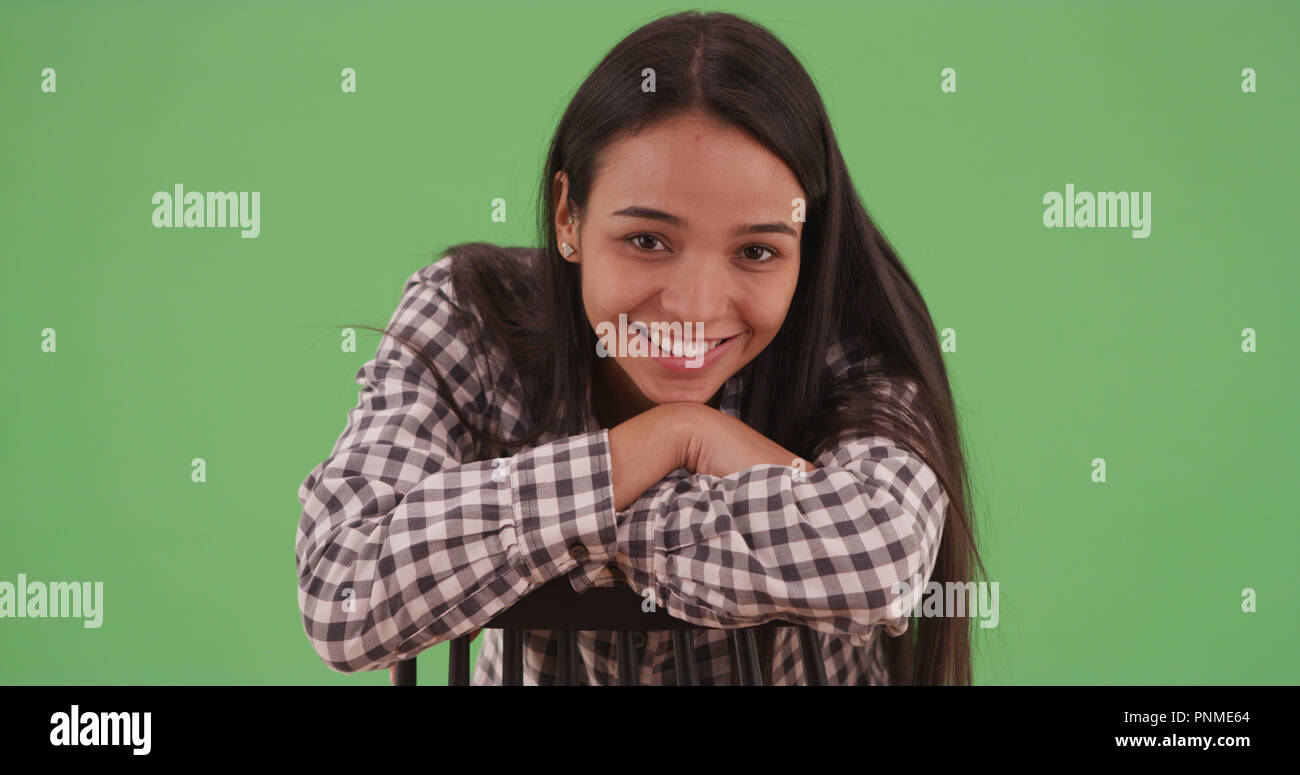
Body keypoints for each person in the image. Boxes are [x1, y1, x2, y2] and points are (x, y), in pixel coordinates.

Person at [295, 9, 986, 685]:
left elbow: (878, 558)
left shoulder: (847, 341)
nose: (695, 306)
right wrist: (665, 440)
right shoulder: (473, 314)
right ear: (568, 214)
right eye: (648, 240)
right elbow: (345, 586)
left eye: (755, 250)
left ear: (807, 247)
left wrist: (547, 541)